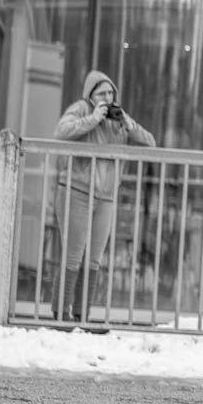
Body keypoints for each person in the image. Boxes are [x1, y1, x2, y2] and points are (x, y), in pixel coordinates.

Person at [51, 70, 156, 321]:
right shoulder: (81, 109)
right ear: (90, 95)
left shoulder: (119, 117)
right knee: (74, 255)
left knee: (94, 259)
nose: (107, 98)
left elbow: (150, 143)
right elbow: (61, 132)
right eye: (101, 94)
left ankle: (82, 314)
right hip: (77, 190)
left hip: (107, 196)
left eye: (110, 93)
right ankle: (60, 312)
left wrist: (130, 125)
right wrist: (92, 119)